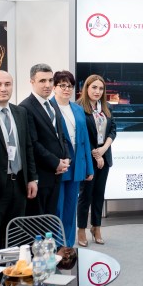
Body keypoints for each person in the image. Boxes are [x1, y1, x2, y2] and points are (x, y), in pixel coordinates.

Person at [0, 71, 38, 252]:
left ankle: (11, 269)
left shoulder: (20, 112)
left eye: (7, 84)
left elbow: (27, 147)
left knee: (15, 236)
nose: (3, 88)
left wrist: (32, 178)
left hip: (18, 184)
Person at [20, 63, 69, 216]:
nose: (47, 85)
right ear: (32, 82)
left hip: (56, 174)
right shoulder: (25, 107)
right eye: (42, 81)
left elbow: (60, 136)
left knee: (50, 219)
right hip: (40, 176)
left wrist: (66, 158)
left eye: (50, 80)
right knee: (37, 221)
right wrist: (56, 162)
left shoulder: (52, 104)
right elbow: (32, 144)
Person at [53, 70, 94, 247]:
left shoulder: (77, 109)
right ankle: (56, 244)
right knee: (57, 209)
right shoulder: (49, 107)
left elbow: (85, 140)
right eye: (62, 85)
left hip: (77, 164)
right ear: (54, 87)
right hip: (58, 165)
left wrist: (89, 168)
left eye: (69, 86)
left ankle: (68, 245)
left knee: (70, 209)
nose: (66, 89)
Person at [77, 75, 116, 245]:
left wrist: (103, 149)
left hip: (104, 155)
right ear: (86, 88)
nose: (97, 91)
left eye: (100, 88)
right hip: (88, 157)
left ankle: (96, 227)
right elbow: (81, 134)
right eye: (94, 87)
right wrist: (96, 153)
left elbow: (113, 130)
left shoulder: (106, 107)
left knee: (99, 194)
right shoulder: (78, 107)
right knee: (85, 195)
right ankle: (81, 229)